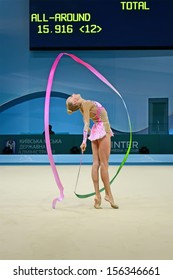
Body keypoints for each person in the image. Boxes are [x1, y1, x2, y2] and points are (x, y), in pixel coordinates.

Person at [66, 93, 119, 209]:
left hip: (96, 129)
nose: (73, 94)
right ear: (75, 101)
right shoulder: (85, 104)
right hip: (102, 128)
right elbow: (86, 124)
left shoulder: (83, 107)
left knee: (96, 163)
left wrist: (87, 138)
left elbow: (88, 124)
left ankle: (97, 196)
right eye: (72, 96)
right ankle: (108, 195)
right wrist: (84, 141)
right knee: (104, 164)